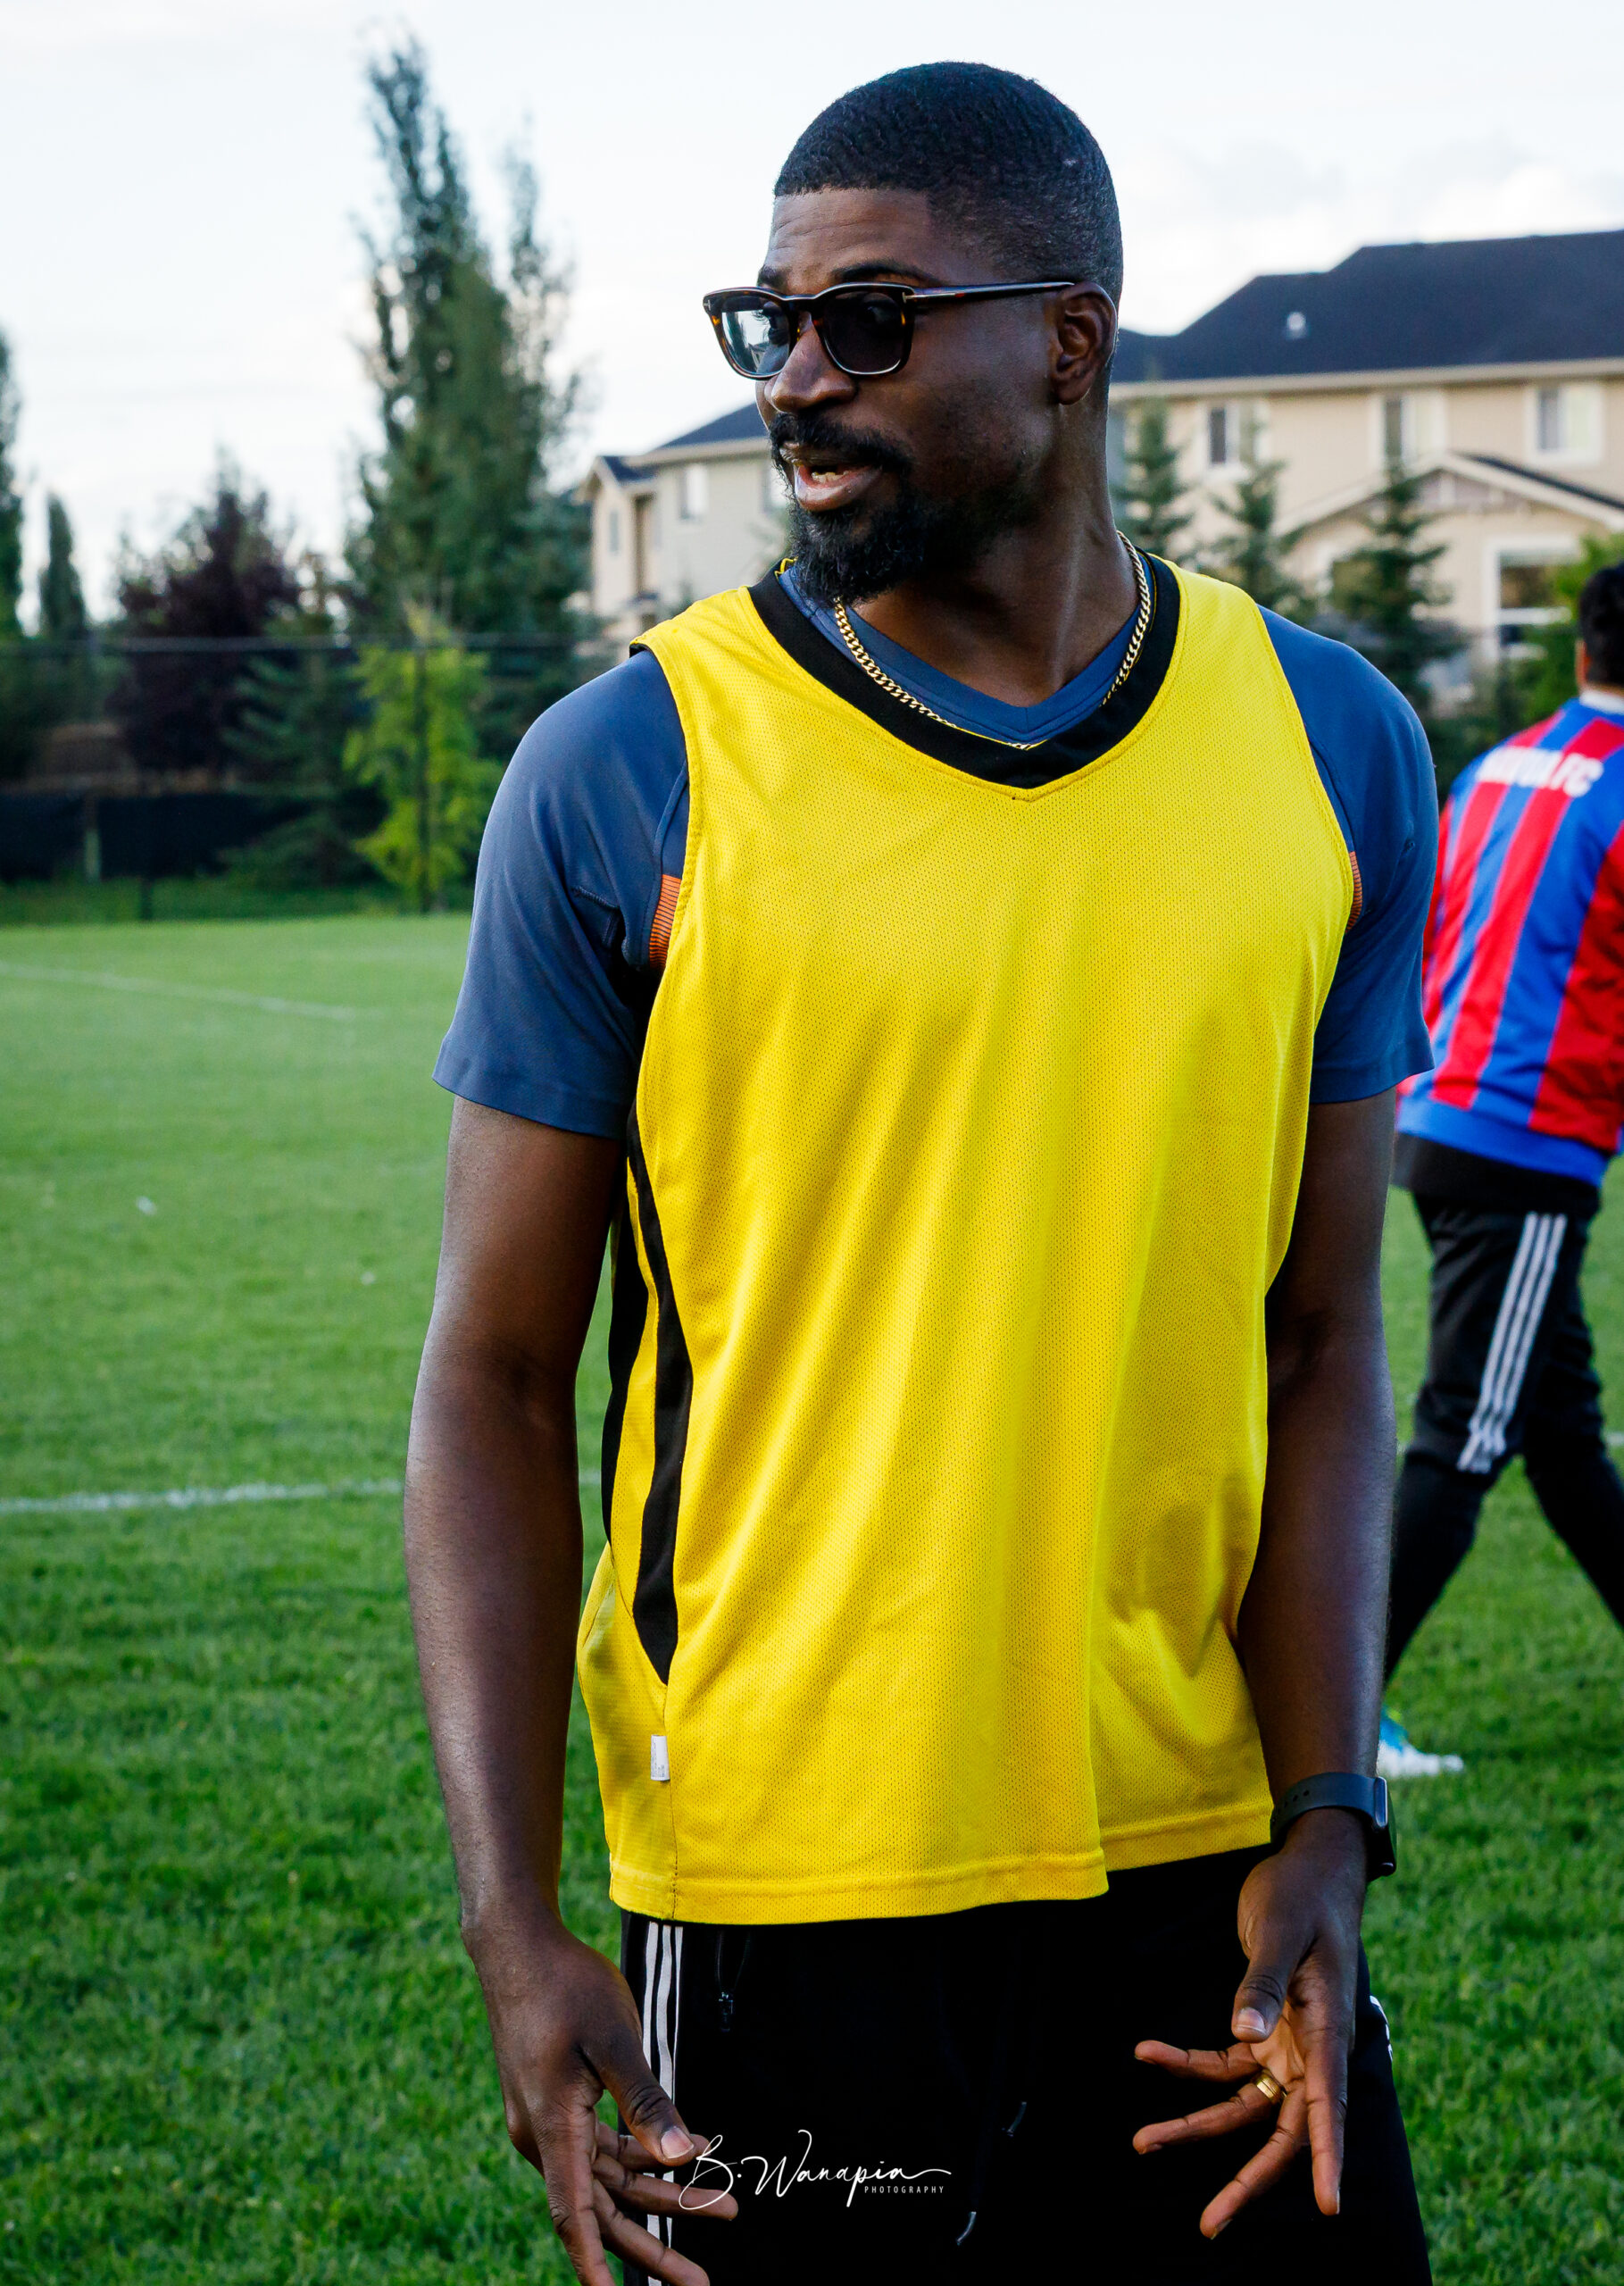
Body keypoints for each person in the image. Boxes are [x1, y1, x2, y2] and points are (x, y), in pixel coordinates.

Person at [407, 63, 1437, 2286]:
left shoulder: (1333, 746)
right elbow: (488, 1378)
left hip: (1202, 1876)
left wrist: (1327, 1807)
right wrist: (512, 1918)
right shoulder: (629, 769)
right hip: (786, 1886)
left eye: (864, 320)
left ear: (1067, 341)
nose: (796, 377)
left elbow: (1322, 1335)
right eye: (767, 322)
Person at [1385, 561, 1624, 1771]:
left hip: (1437, 1112)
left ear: (1581, 651)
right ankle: (1336, 1724)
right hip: (1522, 1144)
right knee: (1465, 1436)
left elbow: (1434, 925)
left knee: (1562, 1436)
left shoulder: (1499, 764)